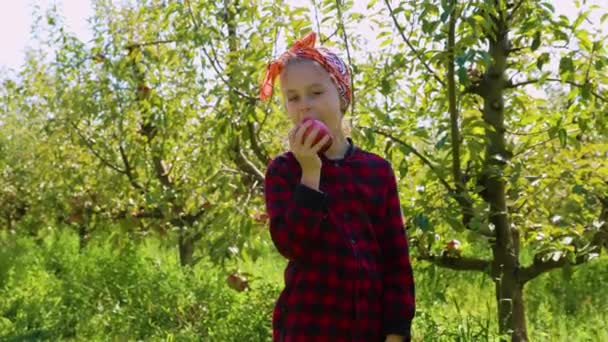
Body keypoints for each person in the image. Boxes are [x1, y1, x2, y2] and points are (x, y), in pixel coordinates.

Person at [260, 31, 415, 342]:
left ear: (342, 96)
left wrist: (397, 330)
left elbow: (396, 258)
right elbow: (290, 245)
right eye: (293, 97)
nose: (304, 105)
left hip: (367, 329)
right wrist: (310, 174)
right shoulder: (284, 171)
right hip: (309, 327)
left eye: (315, 92)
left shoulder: (377, 171)